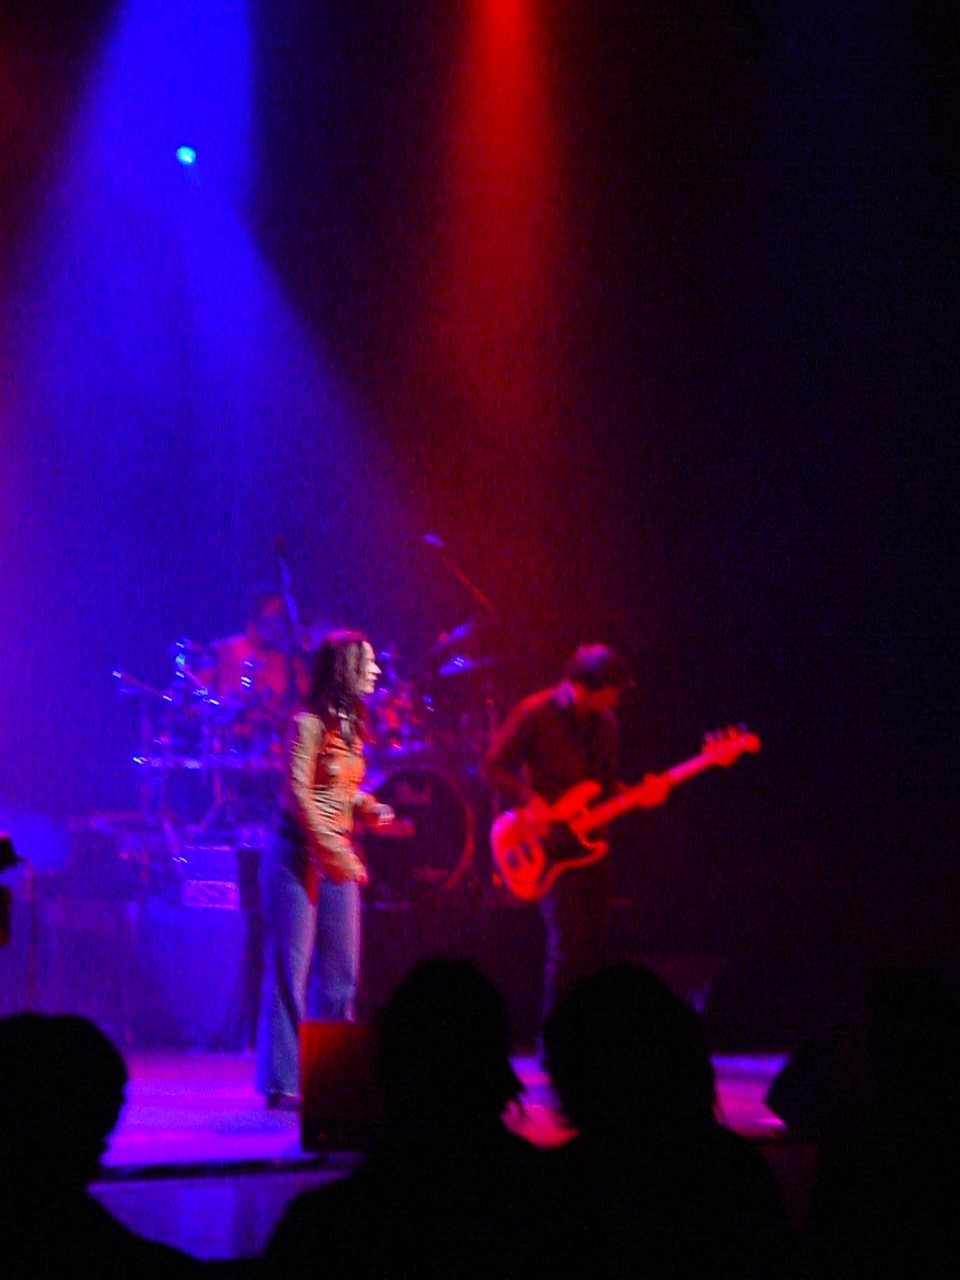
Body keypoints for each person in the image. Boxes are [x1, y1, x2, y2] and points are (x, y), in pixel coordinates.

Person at [484, 644, 668, 1025]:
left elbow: (603, 786)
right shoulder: (535, 713)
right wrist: (529, 799)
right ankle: (553, 1045)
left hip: (590, 844)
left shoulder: (607, 725)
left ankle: (586, 1038)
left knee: (595, 948)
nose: (616, 698)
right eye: (611, 690)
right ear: (584, 686)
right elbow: (492, 766)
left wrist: (638, 794)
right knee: (567, 948)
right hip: (546, 844)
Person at [255, 631, 393, 1107]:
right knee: (289, 969)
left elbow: (337, 791)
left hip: (336, 851)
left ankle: (332, 1079)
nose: (376, 671)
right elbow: (299, 795)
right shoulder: (306, 723)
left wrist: (366, 805)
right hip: (297, 853)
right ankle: (284, 1083)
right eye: (367, 663)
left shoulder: (349, 726)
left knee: (342, 975)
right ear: (344, 669)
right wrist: (332, 851)